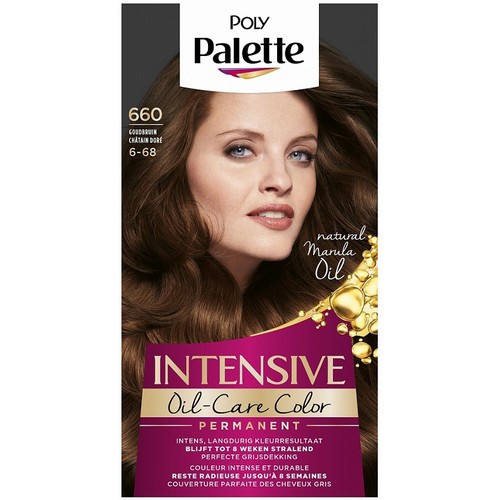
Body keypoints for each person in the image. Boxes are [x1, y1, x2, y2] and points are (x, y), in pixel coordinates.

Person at [122, 42, 378, 496]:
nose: (281, 180)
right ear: (173, 162)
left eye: (301, 154)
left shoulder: (353, 325)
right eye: (241, 150)